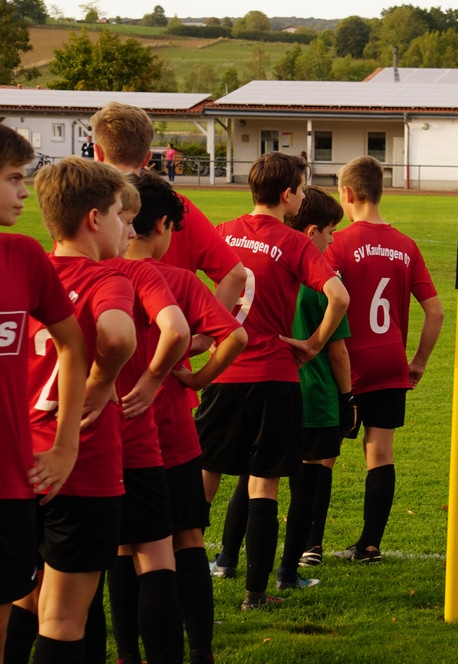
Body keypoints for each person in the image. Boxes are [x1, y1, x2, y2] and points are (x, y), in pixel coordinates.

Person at [196, 151, 349, 610]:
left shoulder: (221, 232)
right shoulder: (296, 243)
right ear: (286, 195)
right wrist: (315, 344)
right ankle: (255, 595)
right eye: (300, 190)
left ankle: (183, 582)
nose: (302, 197)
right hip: (274, 378)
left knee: (204, 480)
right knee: (263, 485)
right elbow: (338, 296)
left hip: (223, 372)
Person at [124, 171, 247, 664]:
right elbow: (235, 336)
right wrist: (197, 380)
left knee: (125, 548)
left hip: (113, 430)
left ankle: (127, 653)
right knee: (187, 539)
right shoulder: (174, 280)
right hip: (170, 429)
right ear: (161, 226)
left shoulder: (95, 275)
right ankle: (200, 652)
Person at [20, 157, 137, 664]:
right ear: (94, 218)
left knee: (22, 598)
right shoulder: (106, 279)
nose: (124, 227)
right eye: (119, 214)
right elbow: (117, 334)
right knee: (64, 619)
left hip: (21, 458)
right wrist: (102, 379)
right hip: (82, 463)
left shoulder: (25, 274)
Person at [325, 156, 443, 563]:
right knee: (380, 452)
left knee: (324, 454)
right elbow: (435, 312)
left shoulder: (336, 243)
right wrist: (419, 362)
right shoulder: (406, 245)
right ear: (379, 192)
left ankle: (309, 547)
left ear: (347, 194)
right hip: (391, 362)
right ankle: (370, 545)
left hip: (346, 360)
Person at [0, 128, 88, 661]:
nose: (23, 191)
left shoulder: (24, 256)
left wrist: (65, 445)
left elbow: (74, 346)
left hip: (10, 483)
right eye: (13, 178)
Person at [106, 181, 191, 664]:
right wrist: (158, 376)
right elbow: (182, 330)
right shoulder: (137, 273)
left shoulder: (42, 269)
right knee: (159, 555)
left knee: (64, 591)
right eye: (123, 220)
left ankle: (124, 655)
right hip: (142, 439)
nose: (129, 231)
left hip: (61, 446)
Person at [90, 102, 246, 311]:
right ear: (147, 157)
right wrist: (208, 327)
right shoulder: (175, 205)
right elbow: (235, 274)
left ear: (98, 152)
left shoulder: (83, 208)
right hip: (168, 324)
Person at [278, 185, 354, 578]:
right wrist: (348, 398)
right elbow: (338, 352)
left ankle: (228, 557)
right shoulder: (323, 280)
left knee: (260, 480)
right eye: (330, 231)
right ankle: (308, 548)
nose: (333, 239)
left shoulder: (270, 266)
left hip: (273, 387)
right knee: (317, 470)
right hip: (316, 392)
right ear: (311, 232)